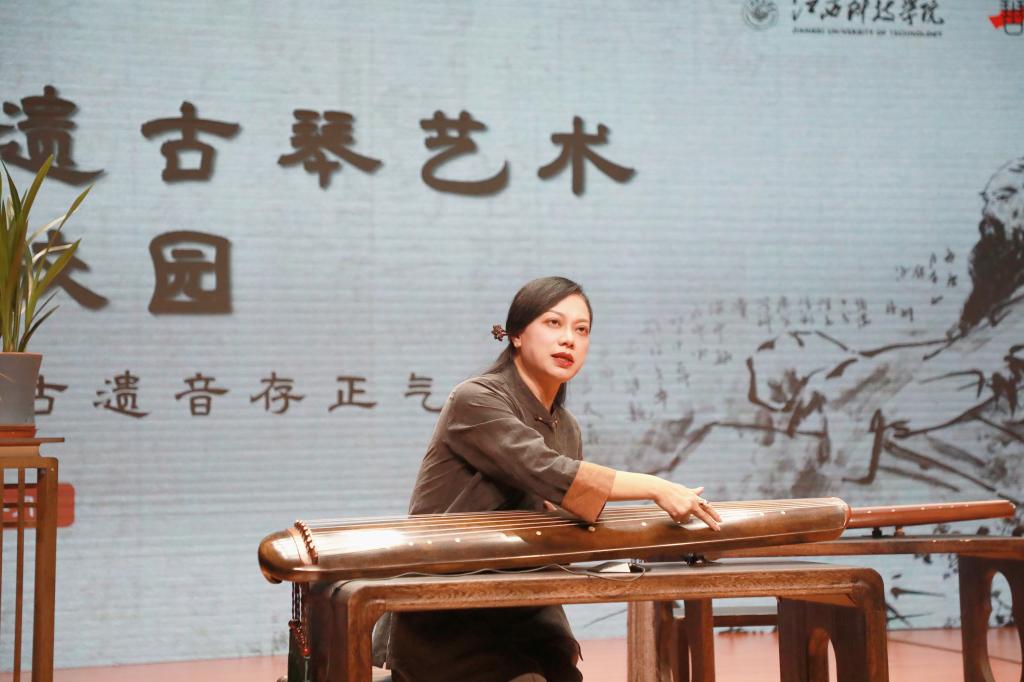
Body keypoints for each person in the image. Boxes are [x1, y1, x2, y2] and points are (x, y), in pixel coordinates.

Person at [376, 276, 722, 682]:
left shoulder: (566, 426)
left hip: (527, 609)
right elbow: (547, 469)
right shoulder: (476, 398)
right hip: (451, 610)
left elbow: (565, 509)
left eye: (581, 329)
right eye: (553, 323)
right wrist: (656, 487)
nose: (568, 339)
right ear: (517, 335)